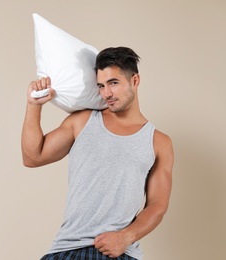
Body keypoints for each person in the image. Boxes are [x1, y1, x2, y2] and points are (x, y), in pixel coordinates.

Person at [21, 47, 174, 260]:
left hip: (119, 252)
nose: (106, 94)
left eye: (113, 83)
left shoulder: (159, 142)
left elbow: (157, 205)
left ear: (135, 81)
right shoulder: (82, 121)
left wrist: (126, 236)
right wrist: (33, 106)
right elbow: (33, 157)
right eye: (101, 86)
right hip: (67, 248)